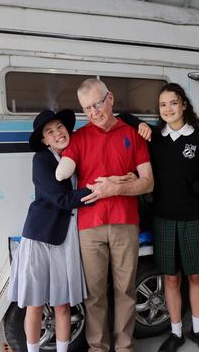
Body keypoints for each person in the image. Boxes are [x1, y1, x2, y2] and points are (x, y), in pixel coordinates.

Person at [118, 83, 199, 352]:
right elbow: (123, 117)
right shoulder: (155, 137)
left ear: (184, 104)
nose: (168, 109)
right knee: (171, 279)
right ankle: (175, 333)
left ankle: (197, 331)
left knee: (196, 278)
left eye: (173, 103)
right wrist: (140, 122)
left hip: (192, 218)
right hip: (162, 219)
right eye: (162, 105)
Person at [55, 78, 154, 352]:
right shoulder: (79, 138)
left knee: (125, 291)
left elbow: (148, 182)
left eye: (97, 104)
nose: (93, 112)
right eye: (86, 108)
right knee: (94, 295)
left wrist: (116, 187)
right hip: (90, 227)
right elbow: (62, 169)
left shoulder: (132, 134)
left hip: (125, 223)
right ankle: (97, 348)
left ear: (110, 98)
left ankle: (124, 347)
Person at [7, 109, 91, 352]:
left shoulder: (77, 155)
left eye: (60, 127)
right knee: (34, 305)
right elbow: (61, 199)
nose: (57, 133)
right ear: (45, 140)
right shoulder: (42, 159)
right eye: (50, 131)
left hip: (66, 241)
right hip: (41, 238)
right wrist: (100, 190)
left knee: (62, 305)